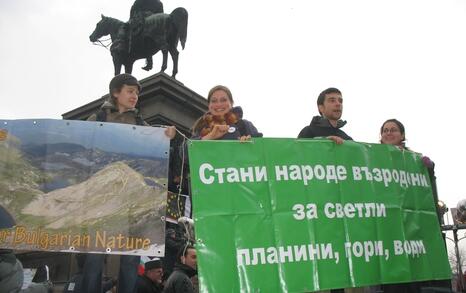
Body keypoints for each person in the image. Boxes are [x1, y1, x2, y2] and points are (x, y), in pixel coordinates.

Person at [82, 73, 175, 293]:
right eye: (130, 91)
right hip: (100, 199)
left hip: (131, 202)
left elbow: (154, 152)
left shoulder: (141, 123)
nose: (135, 96)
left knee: (130, 261)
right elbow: (85, 150)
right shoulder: (97, 119)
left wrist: (168, 136)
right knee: (94, 260)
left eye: (137, 93)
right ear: (116, 92)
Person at [379, 119, 451, 292]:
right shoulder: (374, 158)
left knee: (415, 269)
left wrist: (429, 169)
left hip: (413, 225)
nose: (389, 133)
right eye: (385, 130)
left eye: (393, 130)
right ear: (380, 136)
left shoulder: (415, 160)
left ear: (402, 135)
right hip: (388, 226)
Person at [191, 85, 262, 141]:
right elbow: (185, 153)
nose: (219, 104)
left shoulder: (244, 125)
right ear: (209, 105)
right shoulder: (201, 127)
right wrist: (209, 137)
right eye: (214, 101)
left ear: (231, 103)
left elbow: (262, 149)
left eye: (223, 100)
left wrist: (249, 143)